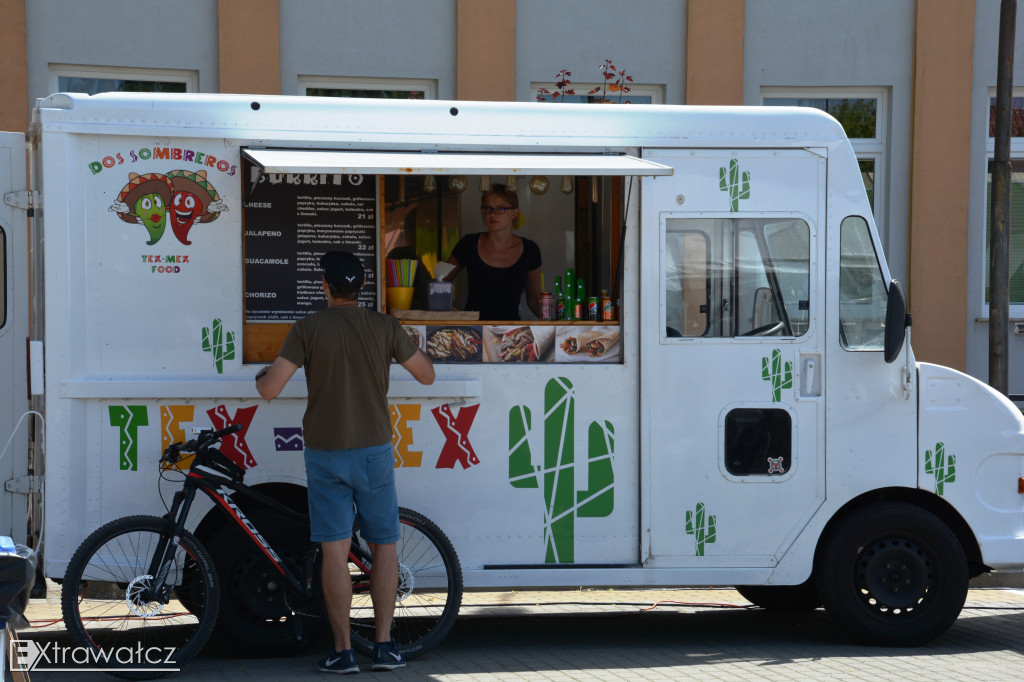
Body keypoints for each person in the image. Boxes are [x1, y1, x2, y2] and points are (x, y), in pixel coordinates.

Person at [255, 250, 435, 674]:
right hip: (373, 449)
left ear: (324, 285)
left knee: (334, 551)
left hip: (325, 452)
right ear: (362, 286)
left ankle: (343, 652)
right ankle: (386, 647)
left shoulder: (308, 328)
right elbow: (426, 375)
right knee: (384, 546)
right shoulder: (385, 326)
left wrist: (261, 375)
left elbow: (269, 390)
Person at [446, 184, 542, 320]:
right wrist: (455, 314)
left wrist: (560, 327)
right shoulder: (468, 244)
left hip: (511, 333)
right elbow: (439, 284)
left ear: (515, 212)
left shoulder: (530, 250)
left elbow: (534, 301)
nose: (492, 214)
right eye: (487, 208)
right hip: (473, 332)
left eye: (500, 209)